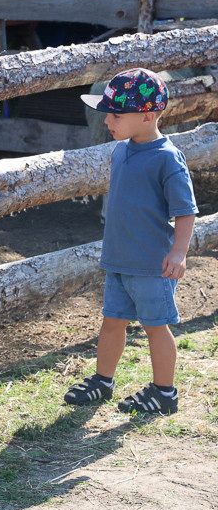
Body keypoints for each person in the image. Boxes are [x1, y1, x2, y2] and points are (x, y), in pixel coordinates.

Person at [65, 69, 197, 415]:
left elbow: (186, 212)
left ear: (148, 115)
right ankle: (103, 381)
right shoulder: (120, 151)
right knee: (112, 322)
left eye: (116, 114)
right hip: (119, 261)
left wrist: (179, 253)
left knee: (155, 327)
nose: (107, 120)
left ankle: (164, 392)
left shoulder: (168, 158)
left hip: (152, 265)